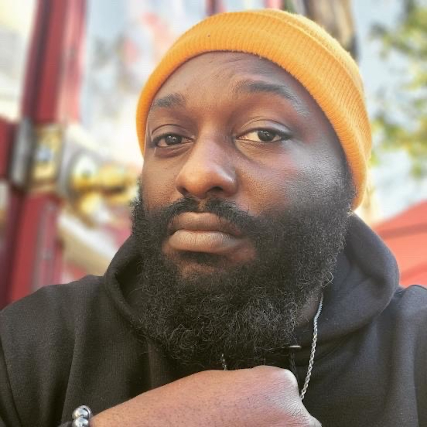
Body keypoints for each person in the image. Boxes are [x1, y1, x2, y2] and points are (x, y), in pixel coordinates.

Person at [0, 9, 426, 427]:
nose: (197, 174)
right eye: (170, 138)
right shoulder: (36, 339)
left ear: (348, 180)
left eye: (263, 133)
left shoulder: (416, 347)